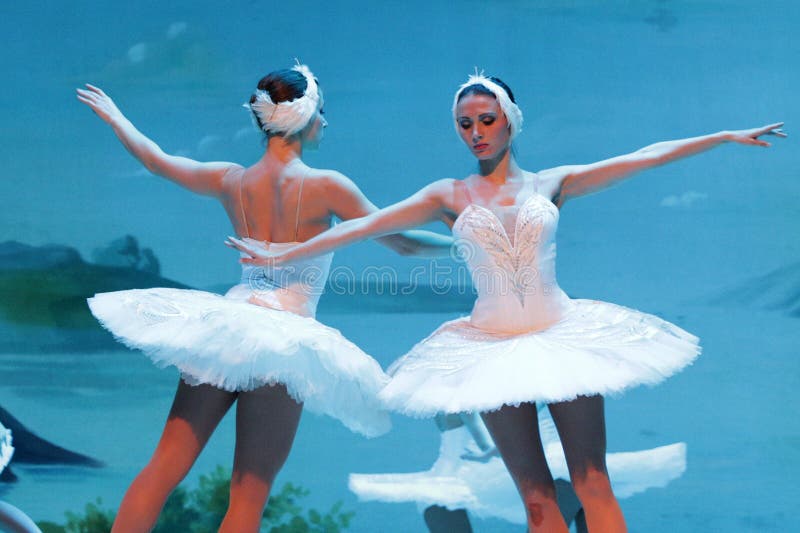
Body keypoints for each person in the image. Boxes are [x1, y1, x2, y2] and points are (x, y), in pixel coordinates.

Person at [228, 70, 785, 532]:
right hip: (490, 350)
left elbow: (644, 156)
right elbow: (362, 229)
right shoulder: (446, 195)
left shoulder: (551, 183)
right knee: (538, 501)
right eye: (465, 124)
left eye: (486, 120)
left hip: (563, 338)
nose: (475, 133)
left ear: (511, 121)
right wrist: (276, 258)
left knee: (593, 483)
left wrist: (721, 136)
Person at [77, 63, 452, 532]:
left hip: (229, 330)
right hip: (283, 344)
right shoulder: (329, 186)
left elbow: (156, 160)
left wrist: (118, 119)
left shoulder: (231, 180)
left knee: (163, 468)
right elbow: (402, 241)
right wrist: (464, 239)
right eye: (323, 113)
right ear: (305, 117)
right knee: (247, 497)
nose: (327, 123)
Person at [349, 407, 686, 533]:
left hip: (488, 474)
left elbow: (489, 445)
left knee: (563, 497)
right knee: (577, 496)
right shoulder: (463, 397)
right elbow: (486, 445)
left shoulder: (479, 392)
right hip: (474, 476)